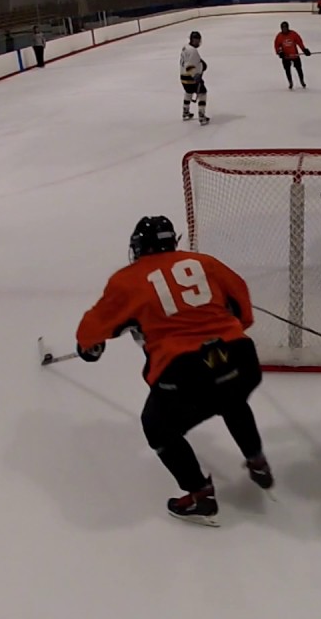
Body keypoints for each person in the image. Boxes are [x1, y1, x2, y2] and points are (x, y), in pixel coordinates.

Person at [74, 216, 271, 526]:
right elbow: (241, 302)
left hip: (186, 372)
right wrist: (230, 328)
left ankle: (200, 495)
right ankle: (258, 461)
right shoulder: (204, 262)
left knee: (157, 426)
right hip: (241, 358)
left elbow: (91, 330)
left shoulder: (127, 279)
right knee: (230, 397)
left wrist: (90, 346)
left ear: (138, 247)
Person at [180, 30, 209, 125]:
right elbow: (189, 66)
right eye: (196, 40)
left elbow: (189, 62)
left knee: (188, 92)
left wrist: (200, 63)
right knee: (202, 93)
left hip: (183, 77)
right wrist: (196, 76)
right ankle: (202, 116)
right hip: (191, 78)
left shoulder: (186, 47)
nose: (197, 42)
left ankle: (185, 112)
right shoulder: (193, 51)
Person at [273, 20, 311, 90]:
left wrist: (304, 50)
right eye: (283, 28)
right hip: (286, 56)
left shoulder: (293, 34)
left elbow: (299, 42)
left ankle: (302, 81)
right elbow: (277, 45)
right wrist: (279, 52)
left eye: (285, 27)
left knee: (299, 69)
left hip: (294, 55)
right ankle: (290, 82)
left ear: (288, 27)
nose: (284, 29)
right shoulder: (279, 36)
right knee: (287, 70)